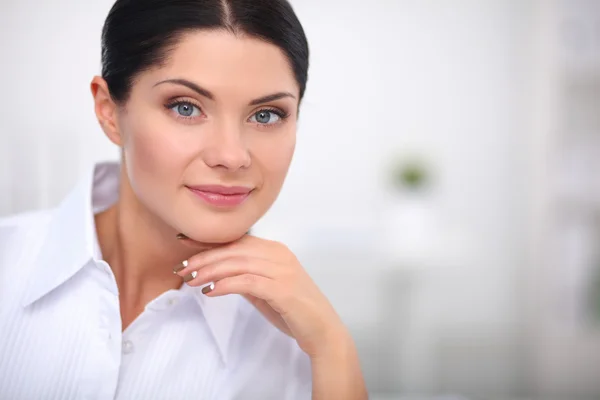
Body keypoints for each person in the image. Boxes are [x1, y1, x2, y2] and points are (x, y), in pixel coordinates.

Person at [0, 0, 367, 399]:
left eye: (266, 115)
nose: (231, 156)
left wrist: (333, 348)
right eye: (186, 107)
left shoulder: (297, 341)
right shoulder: (9, 265)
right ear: (109, 112)